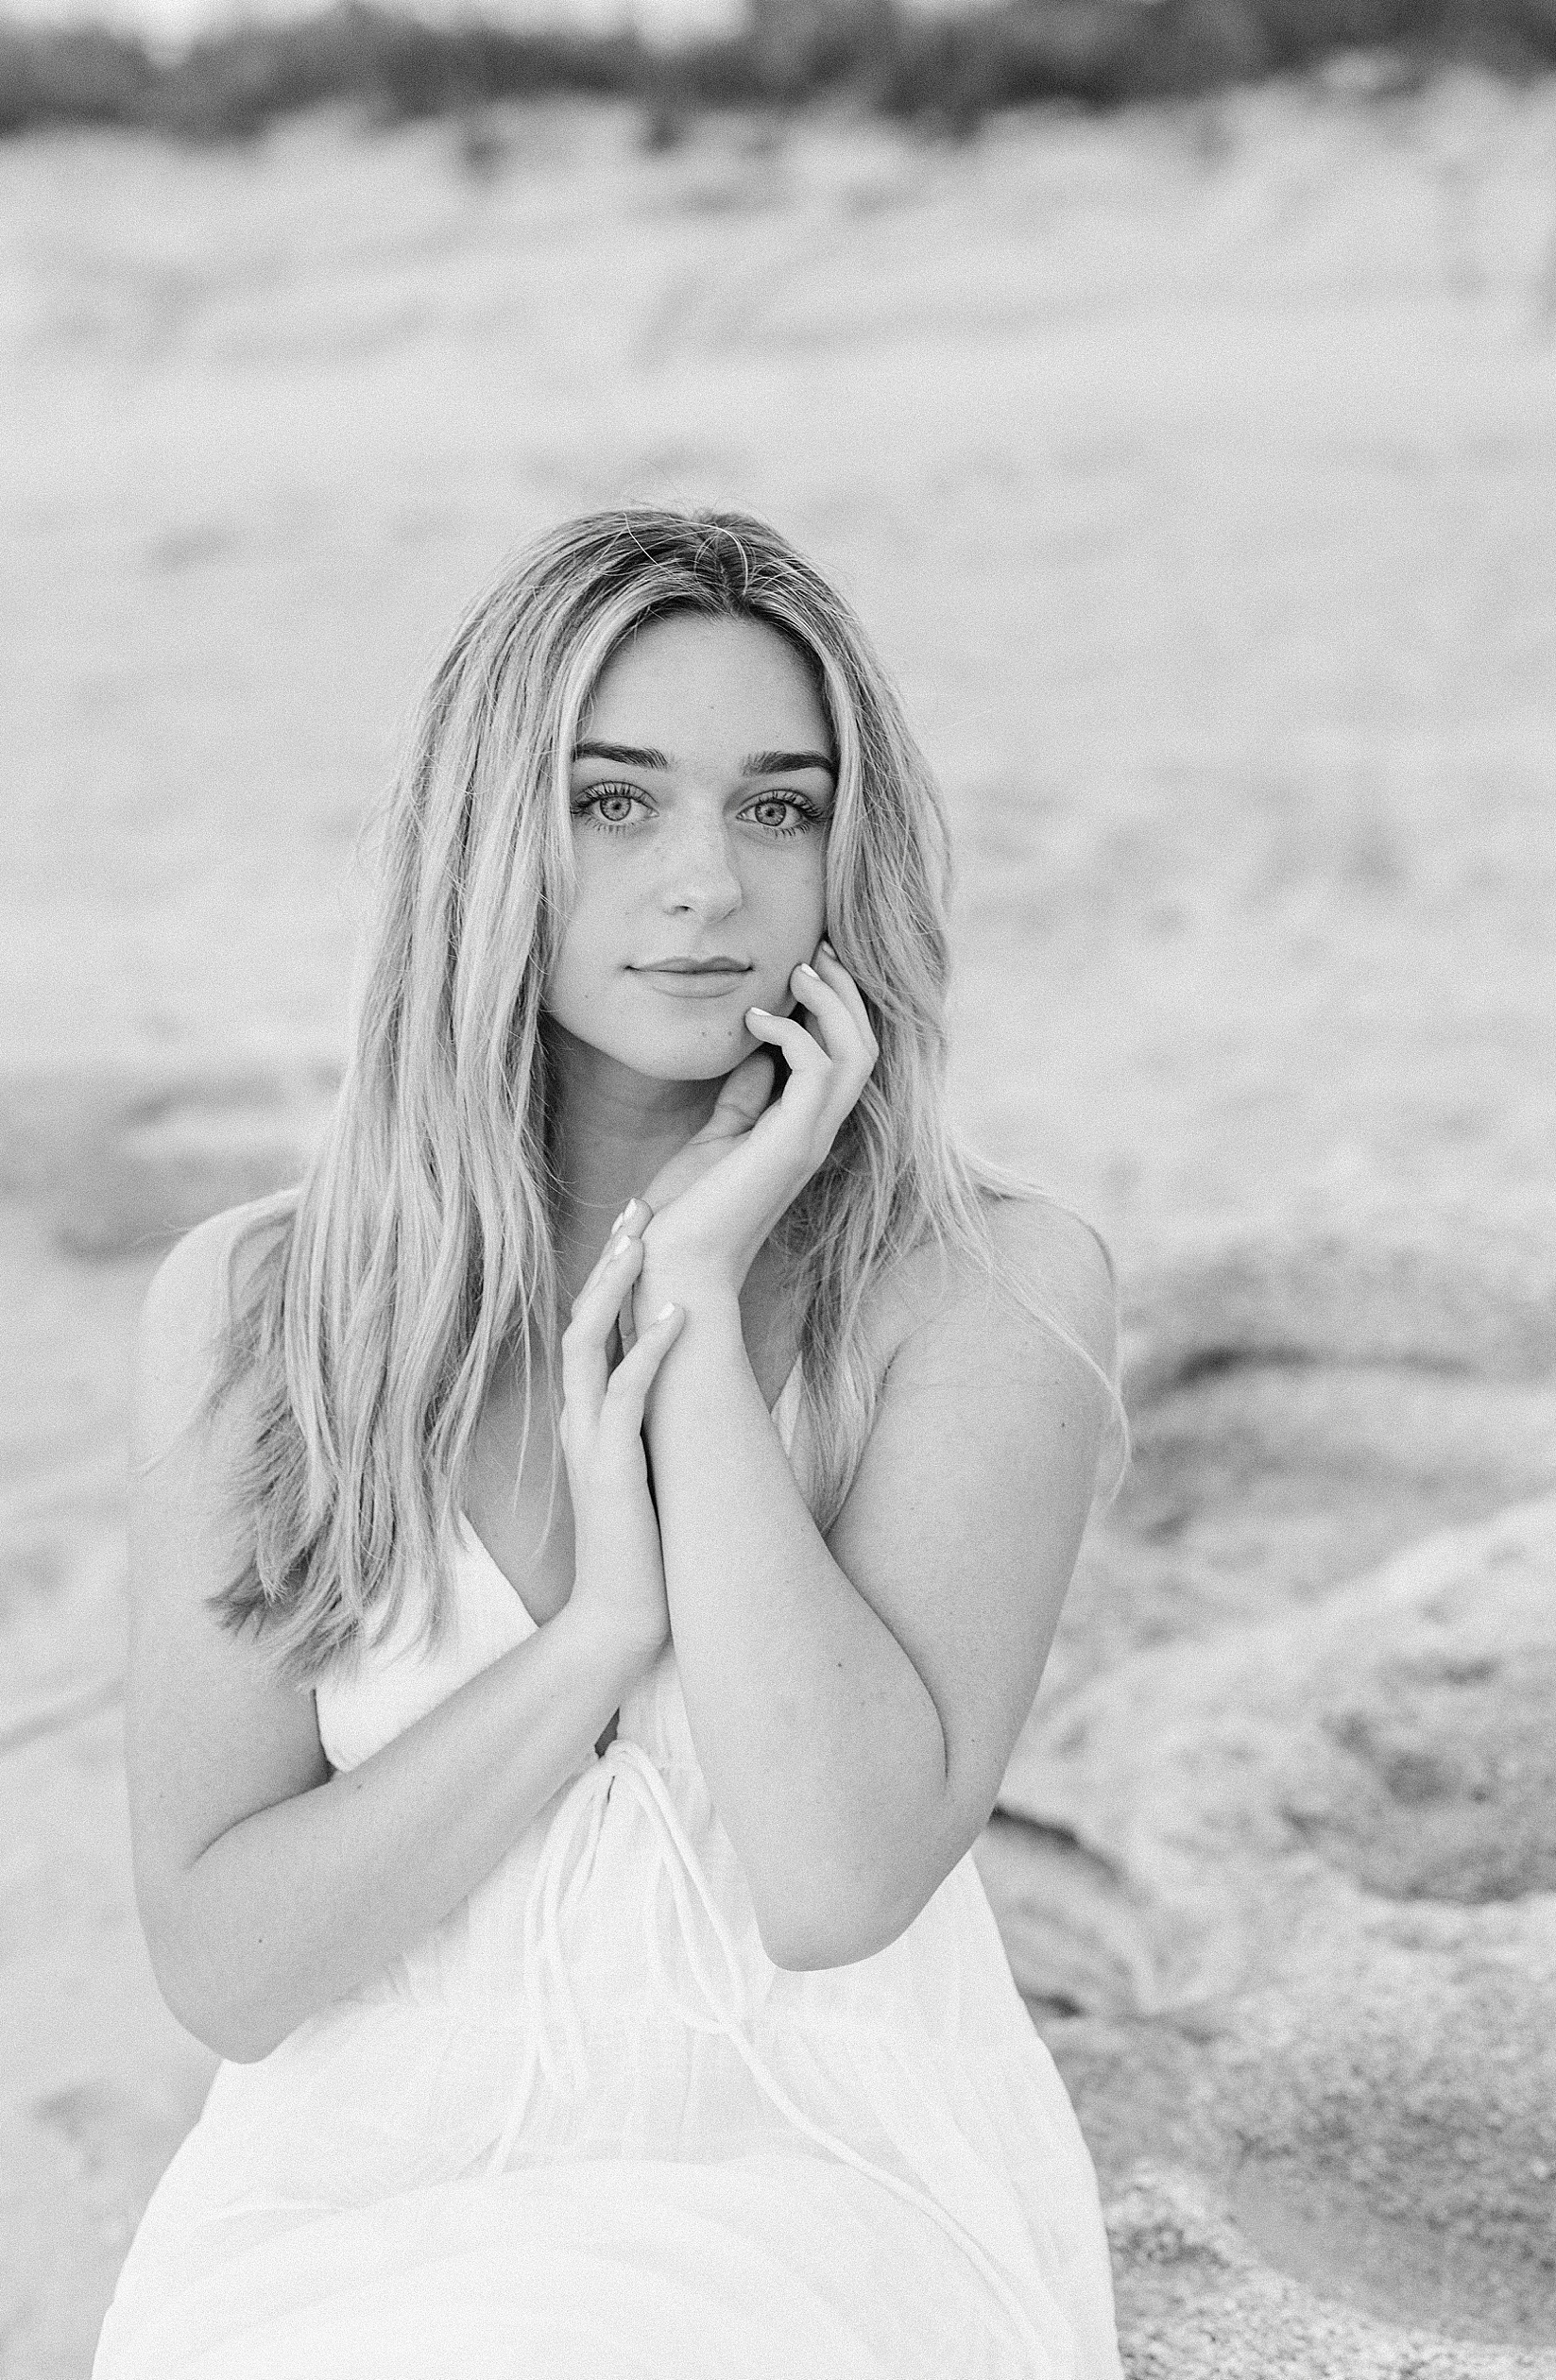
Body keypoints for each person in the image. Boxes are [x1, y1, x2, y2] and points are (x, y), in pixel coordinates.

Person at [95, 507, 1125, 2378]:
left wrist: (704, 1319)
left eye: (781, 807)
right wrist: (591, 1645)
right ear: (490, 836)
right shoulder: (264, 1307)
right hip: (341, 2228)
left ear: (846, 860)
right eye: (614, 801)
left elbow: (832, 1881)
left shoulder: (986, 1288)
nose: (706, 887)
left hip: (820, 2207)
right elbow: (230, 1967)